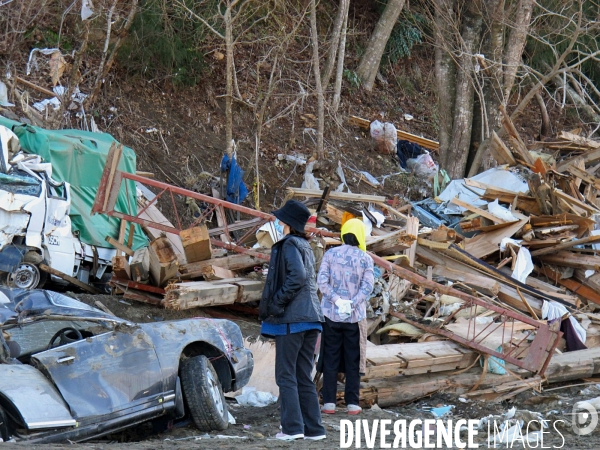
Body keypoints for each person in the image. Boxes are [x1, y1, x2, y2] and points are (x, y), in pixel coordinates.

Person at [258, 200, 326, 441]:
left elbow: (297, 276)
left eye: (279, 219)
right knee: (302, 376)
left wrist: (277, 303)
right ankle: (314, 430)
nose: (276, 221)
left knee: (285, 376)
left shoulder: (287, 245)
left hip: (292, 320)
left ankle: (292, 429)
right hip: (312, 319)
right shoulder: (305, 245)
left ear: (286, 223)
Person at [317, 218, 374, 415]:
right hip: (355, 318)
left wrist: (337, 300)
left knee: (330, 357)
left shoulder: (330, 254)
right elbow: (368, 287)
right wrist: (352, 303)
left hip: (331, 315)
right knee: (353, 358)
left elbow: (322, 282)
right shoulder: (366, 259)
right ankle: (352, 403)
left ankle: (329, 403)